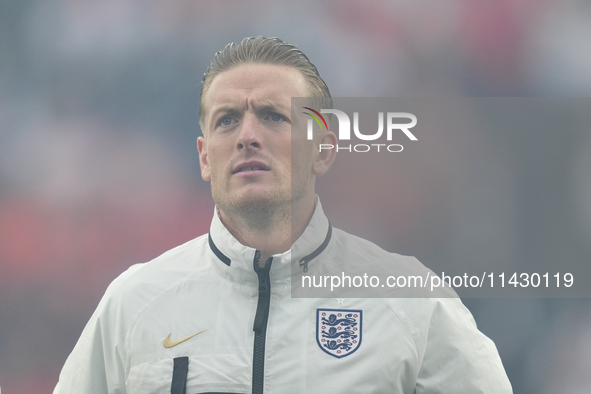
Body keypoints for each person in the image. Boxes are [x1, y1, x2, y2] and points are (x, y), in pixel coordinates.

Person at [53, 36, 512, 393]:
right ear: (204, 157)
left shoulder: (413, 302)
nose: (247, 135)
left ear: (324, 148)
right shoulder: (133, 304)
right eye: (227, 119)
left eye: (273, 116)